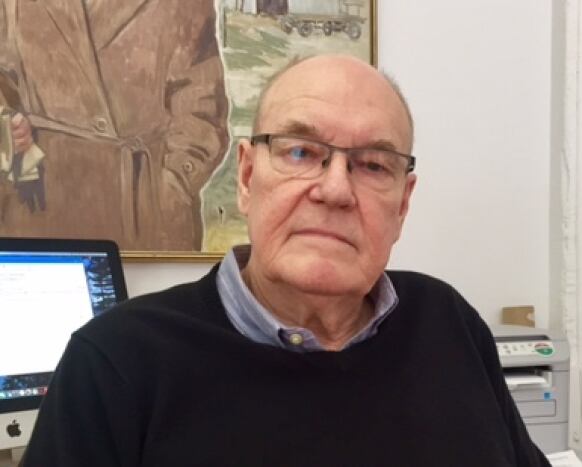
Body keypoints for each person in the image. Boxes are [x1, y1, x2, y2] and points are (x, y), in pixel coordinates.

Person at [22, 55, 552, 467]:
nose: (336, 190)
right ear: (248, 177)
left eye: (372, 164)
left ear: (403, 203)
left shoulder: (447, 320)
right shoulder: (117, 361)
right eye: (300, 151)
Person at [0, 0, 228, 251]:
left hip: (142, 213)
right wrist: (6, 130)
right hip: (38, 202)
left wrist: (170, 188)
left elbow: (201, 108)